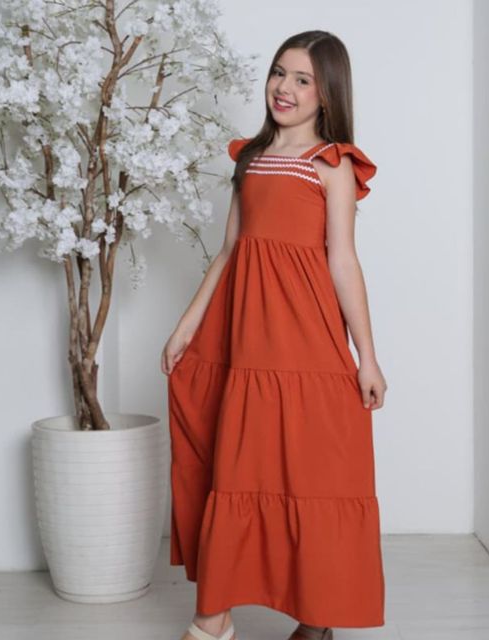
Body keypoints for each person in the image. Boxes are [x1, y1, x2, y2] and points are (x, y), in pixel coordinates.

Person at [162, 29, 387, 640]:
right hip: (246, 339)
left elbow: (343, 261)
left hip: (306, 338)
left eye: (302, 79)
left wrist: (367, 357)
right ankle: (213, 617)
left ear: (326, 93)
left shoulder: (332, 164)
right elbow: (230, 250)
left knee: (314, 471)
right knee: (241, 466)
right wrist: (186, 325)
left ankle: (316, 621)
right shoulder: (250, 158)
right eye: (279, 73)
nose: (284, 88)